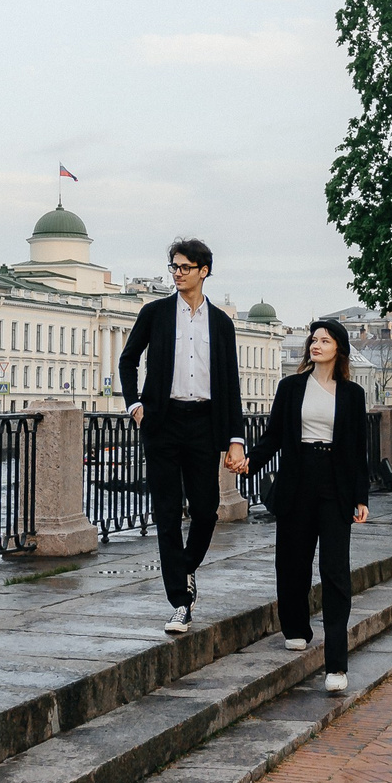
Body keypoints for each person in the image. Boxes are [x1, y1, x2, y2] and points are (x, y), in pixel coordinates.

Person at [116, 237, 246, 634]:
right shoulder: (154, 312)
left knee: (206, 510)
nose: (177, 273)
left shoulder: (222, 323)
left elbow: (230, 382)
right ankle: (180, 602)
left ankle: (184, 568)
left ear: (203, 271)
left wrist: (235, 438)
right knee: (168, 514)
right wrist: (135, 406)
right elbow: (128, 359)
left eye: (184, 267)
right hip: (162, 423)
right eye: (173, 266)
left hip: (204, 425)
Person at [237, 317, 368, 693]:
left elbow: (358, 450)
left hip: (335, 484)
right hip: (297, 479)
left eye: (324, 341)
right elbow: (274, 435)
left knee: (335, 570)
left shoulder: (352, 394)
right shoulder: (291, 387)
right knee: (292, 560)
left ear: (338, 349)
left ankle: (337, 665)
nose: (316, 344)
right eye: (314, 339)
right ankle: (295, 627)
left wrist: (361, 497)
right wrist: (250, 462)